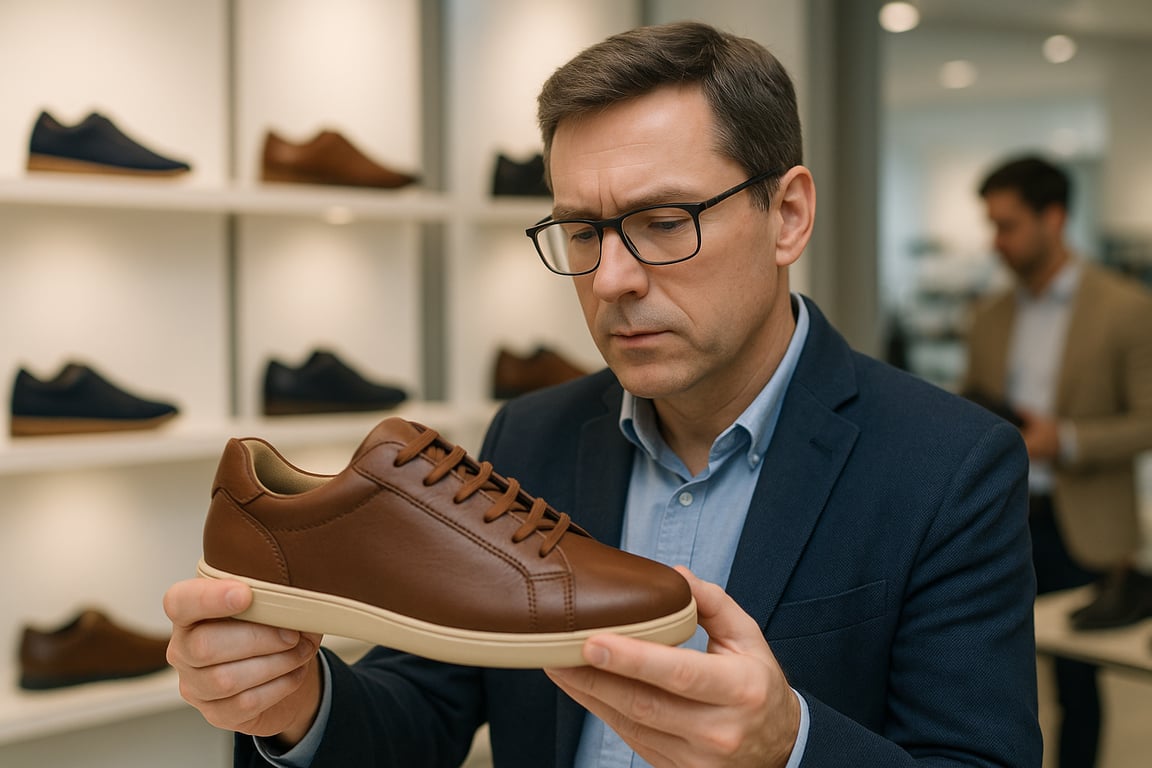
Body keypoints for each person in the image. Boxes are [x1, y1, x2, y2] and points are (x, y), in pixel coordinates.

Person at [164, 21, 1042, 767]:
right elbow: (422, 705)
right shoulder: (533, 434)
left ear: (788, 216)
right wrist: (295, 705)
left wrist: (790, 744)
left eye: (664, 223)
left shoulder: (948, 465)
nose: (611, 278)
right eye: (581, 231)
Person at [962, 154, 1152, 768]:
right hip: (1001, 518)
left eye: (1008, 225)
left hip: (1081, 522)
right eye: (991, 226)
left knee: (1076, 684)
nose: (997, 242)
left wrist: (1065, 440)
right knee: (994, 677)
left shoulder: (1125, 308)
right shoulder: (988, 316)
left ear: (1055, 218)